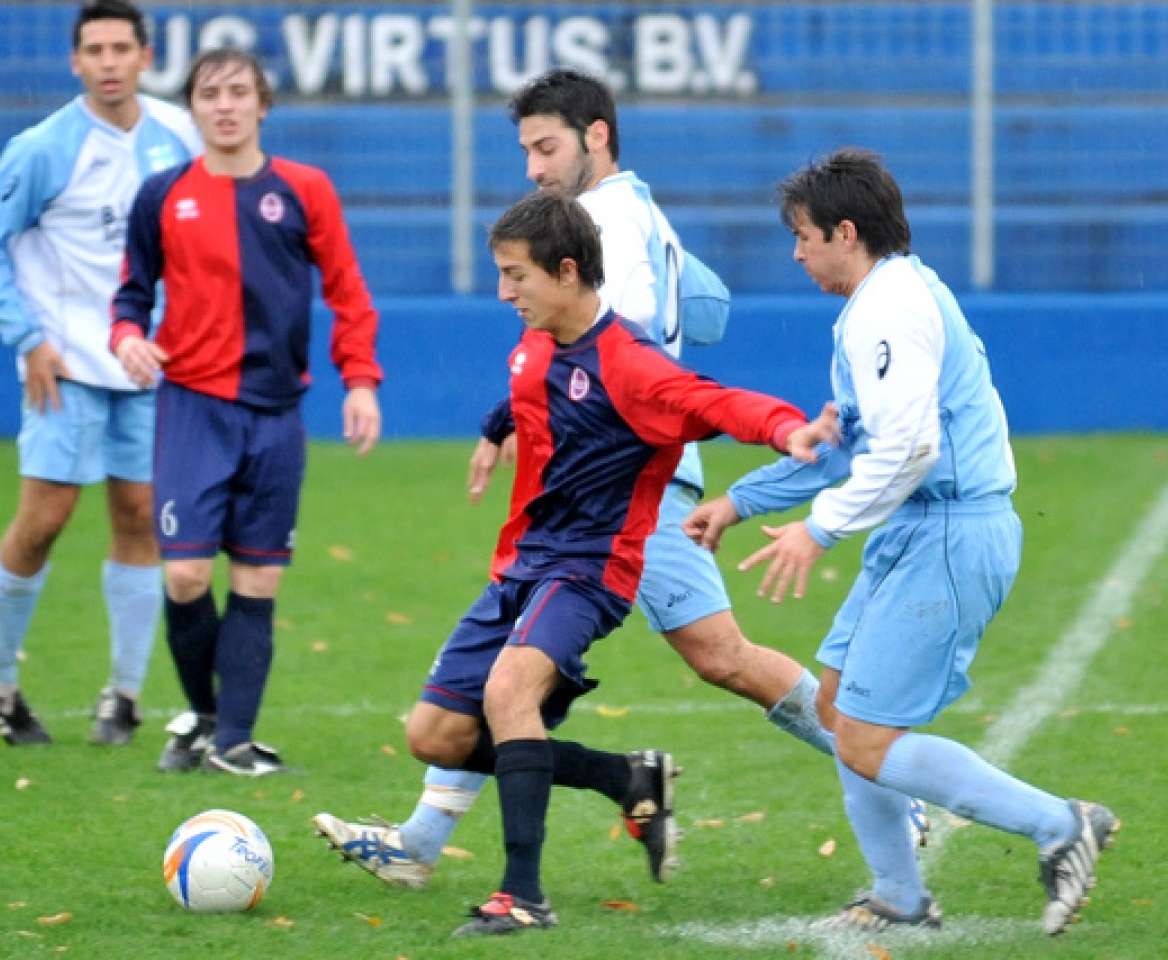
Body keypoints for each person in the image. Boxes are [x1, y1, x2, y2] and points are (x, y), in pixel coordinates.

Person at [312, 66, 926, 894]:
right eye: (526, 149)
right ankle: (441, 835)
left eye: (546, 146)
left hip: (627, 479)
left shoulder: (599, 223)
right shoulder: (643, 211)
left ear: (596, 135)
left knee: (690, 659)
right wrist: (512, 419)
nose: (533, 166)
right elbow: (708, 311)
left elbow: (611, 352)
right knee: (666, 661)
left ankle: (891, 782)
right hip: (627, 467)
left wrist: (719, 418)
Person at [328, 190, 822, 936]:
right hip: (521, 568)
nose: (503, 292)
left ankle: (522, 895)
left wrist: (789, 430)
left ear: (565, 272)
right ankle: (624, 776)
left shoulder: (633, 367)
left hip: (591, 570)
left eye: (514, 275)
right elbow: (530, 394)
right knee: (436, 736)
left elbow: (718, 404)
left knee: (508, 689)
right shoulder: (534, 345)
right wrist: (496, 430)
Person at [683, 148, 1119, 935]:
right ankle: (899, 898)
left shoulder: (889, 309)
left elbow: (910, 451)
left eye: (804, 235)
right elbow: (855, 448)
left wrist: (817, 532)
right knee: (835, 704)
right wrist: (740, 502)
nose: (796, 251)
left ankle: (1061, 824)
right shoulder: (882, 303)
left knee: (869, 740)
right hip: (924, 528)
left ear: (846, 232)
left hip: (951, 531)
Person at [110, 48, 382, 776]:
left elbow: (348, 291)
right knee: (187, 578)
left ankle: (232, 741)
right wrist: (128, 337)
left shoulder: (304, 189)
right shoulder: (163, 194)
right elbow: (131, 294)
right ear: (192, 109)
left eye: (238, 93)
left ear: (262, 106)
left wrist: (359, 381)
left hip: (275, 413)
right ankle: (204, 718)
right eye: (209, 94)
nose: (224, 105)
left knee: (258, 579)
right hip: (192, 407)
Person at [0, 0, 200, 747]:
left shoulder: (179, 136)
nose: (107, 61)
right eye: (93, 49)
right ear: (76, 62)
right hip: (64, 367)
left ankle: (122, 696)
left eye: (120, 48)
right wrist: (27, 340)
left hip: (150, 365)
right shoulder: (43, 147)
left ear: (145, 57)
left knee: (137, 517)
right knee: (44, 521)